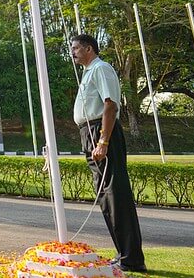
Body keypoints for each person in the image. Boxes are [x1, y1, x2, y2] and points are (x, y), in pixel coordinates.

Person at [71, 34, 146, 272]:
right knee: (105, 195)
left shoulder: (101, 69)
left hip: (101, 131)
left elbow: (110, 104)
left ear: (89, 49)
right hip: (89, 132)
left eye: (75, 48)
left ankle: (132, 258)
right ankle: (123, 253)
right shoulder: (88, 73)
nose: (72, 52)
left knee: (116, 194)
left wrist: (103, 140)